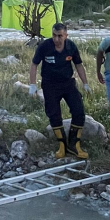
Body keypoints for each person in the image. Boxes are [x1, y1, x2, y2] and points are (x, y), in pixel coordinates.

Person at [29, 22, 91, 159]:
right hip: (50, 85)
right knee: (54, 114)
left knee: (79, 111)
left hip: (67, 83)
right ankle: (62, 146)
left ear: (66, 35)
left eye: (60, 36)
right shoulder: (45, 46)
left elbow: (78, 65)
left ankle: (74, 145)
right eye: (54, 35)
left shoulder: (71, 46)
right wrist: (32, 84)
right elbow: (34, 64)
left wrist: (85, 83)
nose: (57, 39)